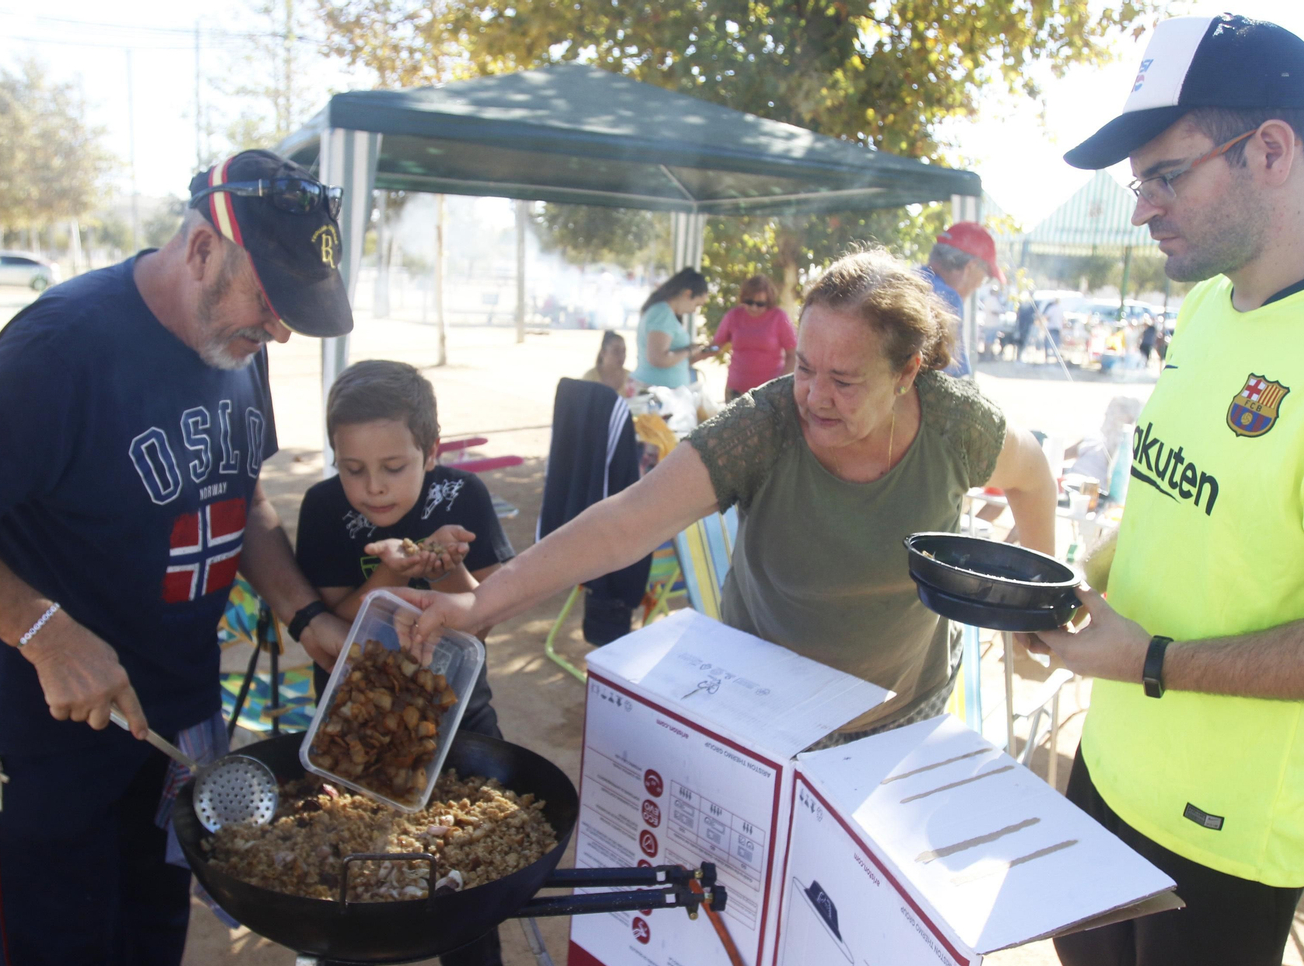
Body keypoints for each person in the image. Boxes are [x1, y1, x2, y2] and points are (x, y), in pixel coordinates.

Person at [0, 149, 355, 966]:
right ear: (204, 248)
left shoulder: (235, 346)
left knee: (151, 934)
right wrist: (44, 632)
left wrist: (305, 616)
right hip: (44, 719)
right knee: (57, 965)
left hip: (173, 716)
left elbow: (238, 496)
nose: (276, 333)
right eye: (267, 304)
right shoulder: (64, 348)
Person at [1037, 16, 1304, 966]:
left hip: (1227, 833)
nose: (1141, 206)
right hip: (1111, 764)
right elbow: (1182, 504)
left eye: (1164, 175)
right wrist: (1080, 580)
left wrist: (1151, 659)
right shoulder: (1208, 306)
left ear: (1272, 150)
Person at [401, 248, 1056, 742]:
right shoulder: (763, 426)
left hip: (902, 715)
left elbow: (1035, 479)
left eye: (845, 381)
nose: (814, 397)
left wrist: (1039, 610)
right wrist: (481, 600)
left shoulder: (955, 425)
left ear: (908, 371)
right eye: (803, 367)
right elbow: (624, 522)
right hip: (766, 714)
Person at [294, 359, 516, 966]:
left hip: (457, 714)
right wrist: (394, 569)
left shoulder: (465, 495)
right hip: (358, 720)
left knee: (466, 870)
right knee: (352, 874)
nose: (373, 486)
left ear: (433, 451)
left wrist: (444, 559)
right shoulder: (325, 508)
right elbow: (336, 629)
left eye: (393, 465)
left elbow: (476, 622)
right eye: (353, 468)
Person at [917, 221, 1005, 377]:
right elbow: (949, 384)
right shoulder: (946, 299)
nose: (979, 286)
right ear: (971, 267)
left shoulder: (909, 281)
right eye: (985, 278)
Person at [709, 274, 798, 400]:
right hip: (736, 390)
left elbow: (792, 354)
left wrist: (779, 384)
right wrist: (692, 355)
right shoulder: (734, 316)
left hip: (769, 393)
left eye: (760, 304)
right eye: (749, 302)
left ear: (769, 301)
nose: (754, 307)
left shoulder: (779, 317)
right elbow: (716, 346)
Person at [632, 266, 709, 389]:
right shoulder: (663, 314)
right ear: (687, 294)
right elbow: (658, 359)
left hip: (662, 390)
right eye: (696, 304)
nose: (694, 310)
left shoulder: (661, 311)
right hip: (658, 392)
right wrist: (689, 351)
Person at [582, 330, 634, 397]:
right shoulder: (589, 377)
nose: (621, 356)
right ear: (603, 352)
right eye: (616, 351)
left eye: (624, 351)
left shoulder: (630, 378)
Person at [1012, 296, 1037, 361]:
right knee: (1020, 341)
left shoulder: (1030, 307)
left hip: (1025, 326)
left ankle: (1019, 356)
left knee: (1023, 341)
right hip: (1022, 326)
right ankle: (1018, 356)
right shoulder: (1025, 307)